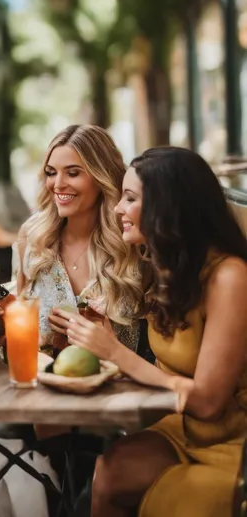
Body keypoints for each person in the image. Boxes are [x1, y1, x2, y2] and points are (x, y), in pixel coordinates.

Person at [55, 147, 247, 517]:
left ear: (168, 206)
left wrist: (114, 352)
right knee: (109, 472)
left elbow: (208, 402)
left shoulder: (229, 277)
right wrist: (104, 336)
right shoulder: (170, 268)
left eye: (130, 198)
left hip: (234, 441)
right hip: (182, 428)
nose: (116, 209)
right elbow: (165, 373)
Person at [15, 124, 144, 353]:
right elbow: (16, 318)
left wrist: (107, 341)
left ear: (101, 177)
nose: (58, 184)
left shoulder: (132, 243)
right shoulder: (33, 236)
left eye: (73, 173)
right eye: (51, 172)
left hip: (120, 386)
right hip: (42, 383)